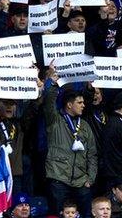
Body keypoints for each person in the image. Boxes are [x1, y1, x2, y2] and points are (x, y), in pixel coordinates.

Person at [42, 76, 97, 217]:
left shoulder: (84, 126)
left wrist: (90, 178)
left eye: (83, 102)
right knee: (57, 214)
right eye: (79, 102)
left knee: (85, 215)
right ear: (69, 105)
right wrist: (53, 85)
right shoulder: (55, 121)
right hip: (59, 179)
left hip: (81, 181)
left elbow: (92, 154)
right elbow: (48, 103)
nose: (83, 105)